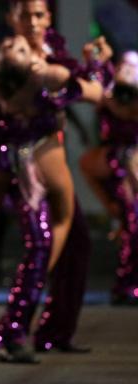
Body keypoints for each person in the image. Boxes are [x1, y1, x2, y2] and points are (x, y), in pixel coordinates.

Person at [0, 0, 109, 363]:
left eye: (40, 14)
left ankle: (51, 331)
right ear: (12, 17)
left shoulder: (49, 57)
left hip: (41, 156)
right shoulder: (7, 60)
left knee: (73, 243)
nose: (33, 21)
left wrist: (90, 66)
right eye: (26, 14)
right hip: (20, 158)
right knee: (40, 239)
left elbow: (92, 91)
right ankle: (10, 322)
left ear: (49, 18)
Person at [80, 51, 138, 305]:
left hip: (133, 158)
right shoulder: (107, 92)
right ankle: (126, 284)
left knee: (131, 224)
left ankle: (128, 283)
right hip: (115, 161)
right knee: (130, 222)